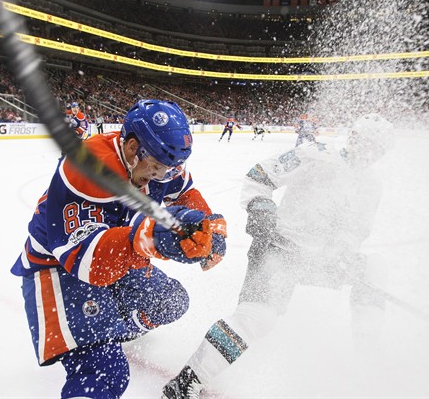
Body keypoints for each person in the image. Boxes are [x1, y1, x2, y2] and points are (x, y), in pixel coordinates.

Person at [162, 114, 395, 399]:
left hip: (320, 259)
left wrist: (343, 250)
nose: (371, 152)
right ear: (354, 138)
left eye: (379, 148)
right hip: (279, 246)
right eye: (368, 143)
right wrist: (262, 210)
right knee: (258, 317)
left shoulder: (372, 184)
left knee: (374, 268)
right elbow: (260, 175)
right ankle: (186, 383)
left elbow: (358, 228)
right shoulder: (317, 154)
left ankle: (367, 356)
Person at [11, 99, 228, 399]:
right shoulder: (87, 167)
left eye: (170, 170)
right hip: (59, 268)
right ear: (131, 148)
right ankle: (97, 343)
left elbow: (184, 192)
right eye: (158, 169)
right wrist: (153, 237)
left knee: (171, 300)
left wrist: (206, 225)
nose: (163, 178)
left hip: (115, 251)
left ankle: (117, 329)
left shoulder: (158, 160)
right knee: (104, 373)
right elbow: (88, 264)